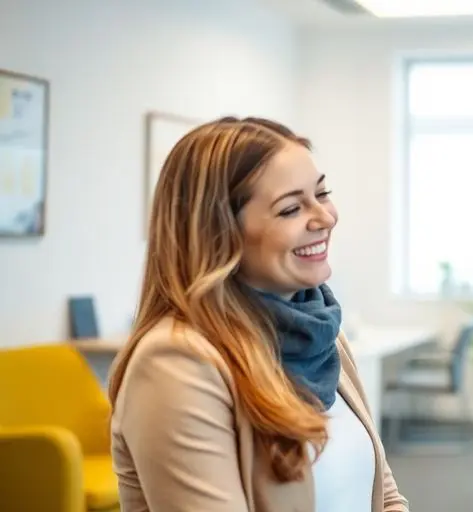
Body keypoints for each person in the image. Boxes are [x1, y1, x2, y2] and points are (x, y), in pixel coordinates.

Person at [108, 116, 408, 512]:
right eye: (291, 209)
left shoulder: (321, 332)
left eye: (322, 194)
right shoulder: (176, 363)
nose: (325, 217)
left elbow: (384, 496)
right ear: (219, 233)